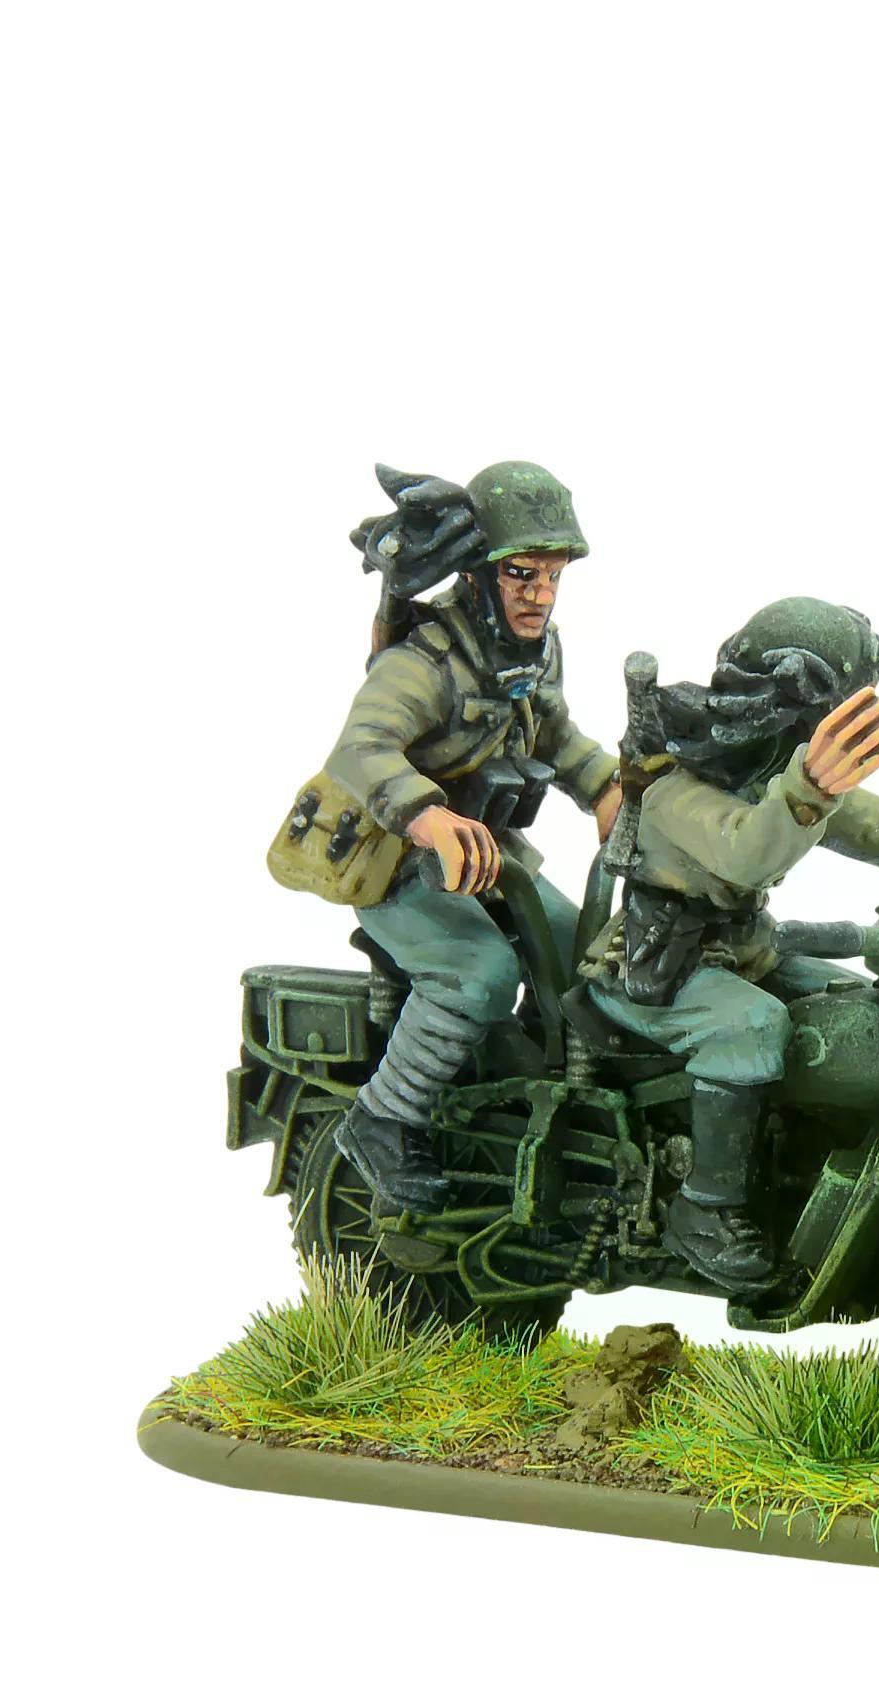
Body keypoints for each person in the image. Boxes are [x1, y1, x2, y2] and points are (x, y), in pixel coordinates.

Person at [585, 597, 879, 1289]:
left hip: (744, 951)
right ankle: (706, 1207)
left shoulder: (768, 764)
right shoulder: (671, 782)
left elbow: (867, 820)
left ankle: (824, 1172)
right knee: (754, 1025)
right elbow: (747, 852)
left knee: (862, 1012)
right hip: (656, 969)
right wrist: (810, 787)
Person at [320, 461, 620, 1209]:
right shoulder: (423, 662)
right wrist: (429, 816)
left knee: (590, 954)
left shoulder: (535, 650)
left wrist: (606, 787)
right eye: (521, 574)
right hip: (392, 860)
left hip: (487, 856)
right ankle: (384, 1118)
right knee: (479, 973)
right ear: (480, 574)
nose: (540, 595)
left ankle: (541, 1083)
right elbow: (360, 751)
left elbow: (554, 732)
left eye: (552, 576)